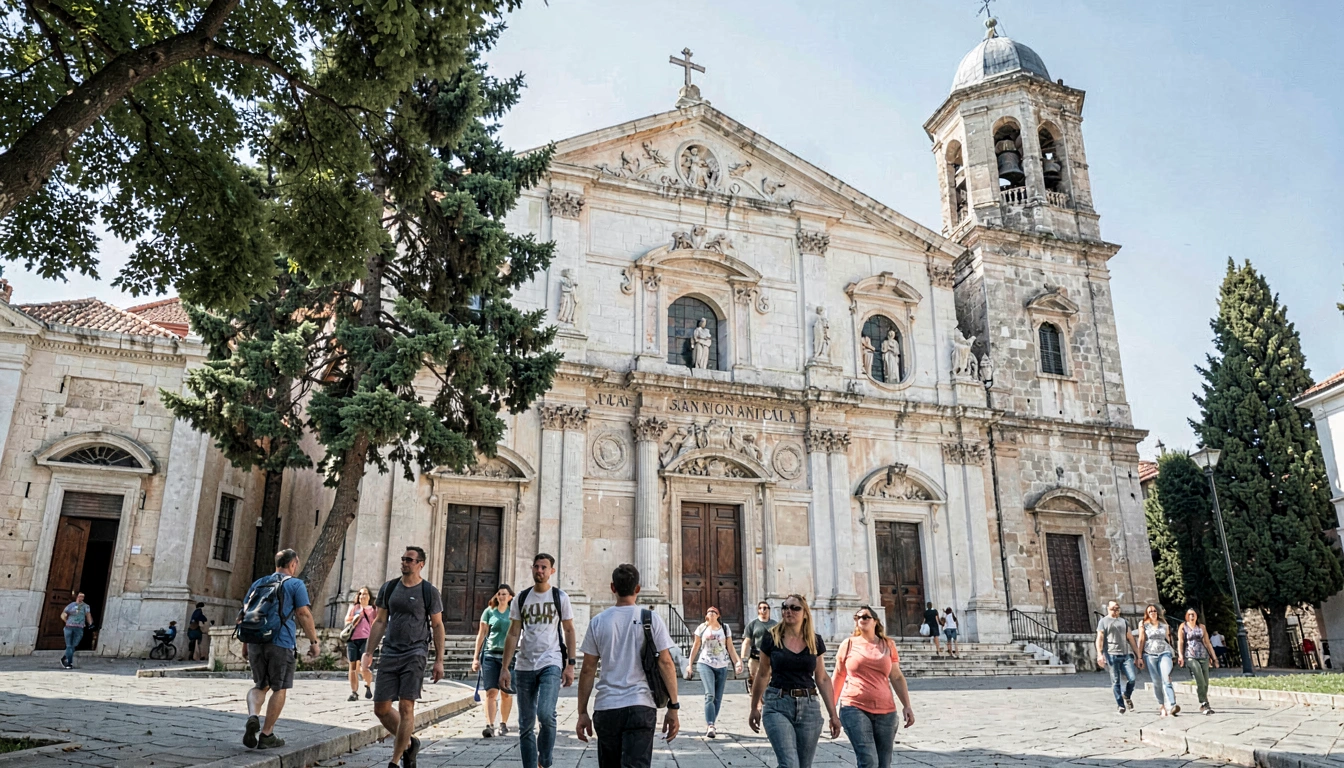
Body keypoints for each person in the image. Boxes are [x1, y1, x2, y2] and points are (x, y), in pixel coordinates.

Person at [576, 564, 681, 768]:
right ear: (638, 589)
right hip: (641, 705)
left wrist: (582, 712)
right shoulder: (652, 620)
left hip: (607, 707)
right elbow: (666, 663)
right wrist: (673, 707)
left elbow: (588, 669)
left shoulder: (598, 622)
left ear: (612, 588)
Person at [362, 546, 445, 768]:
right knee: (380, 708)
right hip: (390, 651)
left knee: (406, 706)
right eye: (403, 559)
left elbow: (437, 625)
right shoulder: (389, 588)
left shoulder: (429, 591)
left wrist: (439, 660)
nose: (405, 562)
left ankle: (395, 761)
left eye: (409, 559)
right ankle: (409, 743)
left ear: (421, 564)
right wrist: (368, 652)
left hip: (415, 652)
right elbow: (380, 621)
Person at [500, 554, 576, 768]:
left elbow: (569, 630)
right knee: (525, 724)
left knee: (545, 714)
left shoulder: (560, 597)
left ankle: (545, 759)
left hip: (550, 662)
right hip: (524, 666)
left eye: (544, 567)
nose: (539, 571)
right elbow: (513, 633)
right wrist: (505, 668)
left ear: (552, 571)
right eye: (536, 567)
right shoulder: (521, 598)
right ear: (532, 569)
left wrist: (570, 664)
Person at [748, 595, 841, 768]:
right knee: (789, 764)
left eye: (794, 608)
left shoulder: (815, 640)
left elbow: (821, 677)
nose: (788, 611)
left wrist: (833, 715)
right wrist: (754, 707)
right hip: (777, 703)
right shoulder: (771, 638)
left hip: (809, 706)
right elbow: (762, 674)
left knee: (803, 765)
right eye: (785, 607)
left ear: (805, 613)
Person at [242, 549, 320, 750]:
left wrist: (245, 644)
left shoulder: (258, 583)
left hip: (255, 641)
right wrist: (314, 641)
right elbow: (303, 613)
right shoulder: (295, 584)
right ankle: (267, 734)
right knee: (279, 687)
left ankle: (253, 716)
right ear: (293, 564)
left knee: (260, 685)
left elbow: (244, 614)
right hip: (281, 642)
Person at [831, 606, 916, 768]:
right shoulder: (848, 644)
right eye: (857, 617)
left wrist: (907, 706)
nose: (860, 620)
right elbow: (838, 676)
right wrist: (832, 711)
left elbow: (896, 676)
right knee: (868, 760)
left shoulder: (887, 644)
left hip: (886, 711)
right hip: (853, 708)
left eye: (865, 617)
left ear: (875, 621)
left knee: (884, 764)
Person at [685, 606, 742, 738]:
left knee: (718, 698)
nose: (711, 614)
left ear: (718, 615)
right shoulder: (701, 628)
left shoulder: (725, 628)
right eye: (709, 612)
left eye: (714, 612)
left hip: (722, 665)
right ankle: (710, 724)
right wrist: (689, 664)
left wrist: (737, 662)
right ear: (706, 616)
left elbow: (731, 647)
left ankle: (712, 722)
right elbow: (696, 647)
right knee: (709, 694)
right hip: (705, 663)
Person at [473, 584, 516, 737]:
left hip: (508, 656)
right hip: (490, 654)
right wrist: (476, 657)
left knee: (506, 693)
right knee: (490, 691)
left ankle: (503, 723)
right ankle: (490, 725)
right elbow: (482, 634)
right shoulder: (489, 612)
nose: (501, 596)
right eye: (499, 594)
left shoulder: (514, 613)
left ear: (510, 597)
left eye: (504, 594)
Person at [1095, 600, 1144, 715]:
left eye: (1117, 608)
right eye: (1113, 608)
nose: (1115, 611)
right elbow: (1100, 638)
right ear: (1108, 609)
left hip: (1125, 654)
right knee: (1115, 681)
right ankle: (1120, 705)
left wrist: (1139, 656)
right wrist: (1099, 654)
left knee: (1132, 678)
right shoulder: (1103, 622)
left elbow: (1131, 639)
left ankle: (1126, 695)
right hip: (1111, 654)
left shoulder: (1124, 622)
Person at [1137, 605, 1179, 716]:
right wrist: (1139, 656)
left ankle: (1172, 705)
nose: (1153, 613)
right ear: (1147, 613)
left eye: (1154, 611)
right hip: (1150, 654)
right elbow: (1141, 640)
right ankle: (1162, 705)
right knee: (1156, 682)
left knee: (1166, 678)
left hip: (1165, 653)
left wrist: (1173, 654)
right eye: (1150, 611)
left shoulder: (1164, 625)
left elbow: (1169, 640)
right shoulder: (1143, 625)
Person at [1176, 608, 1220, 715]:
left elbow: (1207, 643)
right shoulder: (1183, 627)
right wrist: (1180, 656)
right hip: (1190, 656)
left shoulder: (1201, 627)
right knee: (1199, 678)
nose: (1192, 616)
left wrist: (1214, 658)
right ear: (1186, 616)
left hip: (1203, 655)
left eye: (1193, 614)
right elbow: (1180, 642)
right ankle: (1204, 702)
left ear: (1196, 616)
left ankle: (1204, 702)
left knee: (1205, 682)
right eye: (1189, 614)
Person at [345, 586, 376, 701]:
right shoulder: (354, 608)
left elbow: (377, 625)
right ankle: (354, 692)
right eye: (361, 593)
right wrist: (355, 618)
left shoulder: (373, 610)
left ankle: (368, 685)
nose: (363, 596)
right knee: (352, 666)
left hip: (366, 640)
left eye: (365, 593)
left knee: (364, 667)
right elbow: (346, 620)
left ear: (369, 596)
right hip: (352, 639)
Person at [741, 602, 777, 696]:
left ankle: (764, 695)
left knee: (767, 676)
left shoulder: (775, 625)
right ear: (758, 610)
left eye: (765, 608)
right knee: (753, 675)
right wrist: (743, 657)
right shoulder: (753, 624)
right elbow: (747, 641)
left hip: (770, 656)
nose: (763, 610)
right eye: (760, 608)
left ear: (769, 609)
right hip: (755, 655)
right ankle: (752, 689)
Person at [60, 592, 93, 669]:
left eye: (82, 597)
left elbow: (88, 615)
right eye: (80, 596)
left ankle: (65, 657)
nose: (81, 598)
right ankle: (69, 663)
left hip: (79, 628)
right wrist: (66, 621)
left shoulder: (86, 606)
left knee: (74, 645)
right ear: (77, 597)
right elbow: (63, 614)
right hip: (69, 627)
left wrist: (90, 624)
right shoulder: (71, 605)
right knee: (69, 645)